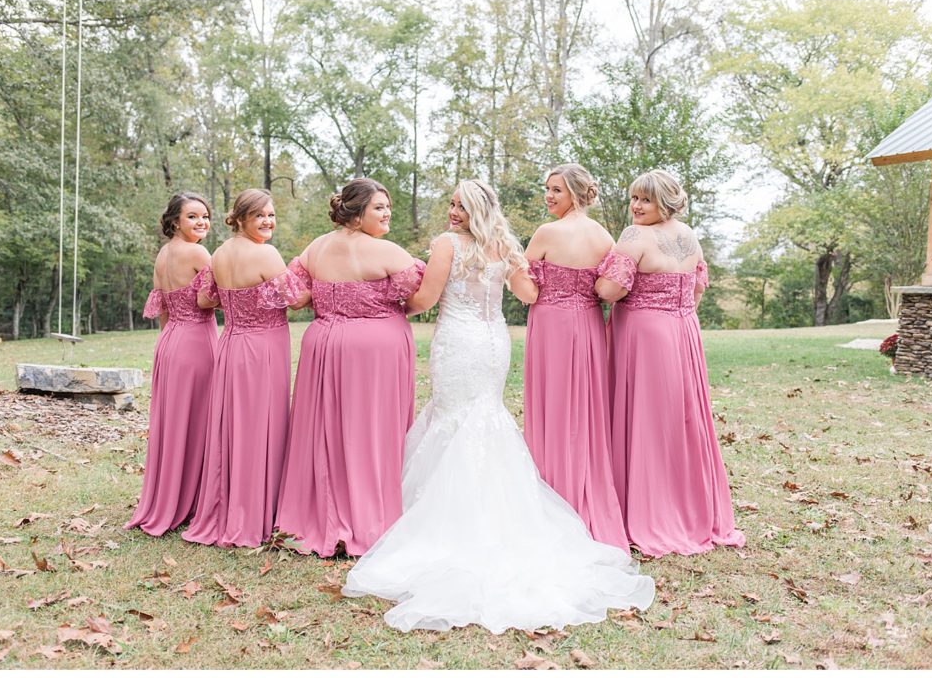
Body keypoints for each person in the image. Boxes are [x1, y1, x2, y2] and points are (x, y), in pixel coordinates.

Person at [343, 180, 655, 634]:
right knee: (485, 418)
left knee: (452, 418)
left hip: (458, 341)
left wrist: (384, 308)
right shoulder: (504, 245)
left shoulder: (446, 245)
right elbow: (529, 295)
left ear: (476, 209)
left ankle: (445, 514)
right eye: (450, 203)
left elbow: (426, 299)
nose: (452, 212)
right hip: (492, 343)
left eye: (460, 205)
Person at [595, 169, 745, 557]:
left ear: (665, 201)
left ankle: (650, 510)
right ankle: (690, 507)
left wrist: (594, 281)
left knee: (647, 419)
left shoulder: (634, 236)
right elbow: (696, 291)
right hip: (683, 331)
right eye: (633, 199)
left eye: (645, 199)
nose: (635, 207)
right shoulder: (689, 234)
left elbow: (611, 290)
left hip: (645, 335)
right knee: (679, 419)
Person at [274, 178, 425, 557]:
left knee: (324, 429)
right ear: (356, 214)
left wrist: (330, 299)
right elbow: (418, 298)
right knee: (369, 431)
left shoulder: (316, 247)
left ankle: (317, 513)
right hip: (373, 350)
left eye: (387, 205)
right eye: (378, 207)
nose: (387, 212)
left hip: (323, 343)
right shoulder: (387, 251)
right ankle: (370, 515)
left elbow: (294, 297)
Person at [182, 188, 308, 548]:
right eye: (260, 216)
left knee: (233, 425)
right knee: (258, 424)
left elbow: (206, 298)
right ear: (241, 219)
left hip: (232, 344)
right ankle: (254, 511)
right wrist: (315, 276)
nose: (268, 221)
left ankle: (228, 507)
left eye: (271, 215)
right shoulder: (265, 253)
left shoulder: (219, 254)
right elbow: (296, 300)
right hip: (263, 348)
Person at [518, 163, 631, 552]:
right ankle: (584, 489)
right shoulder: (604, 236)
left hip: (551, 324)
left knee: (553, 405)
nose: (549, 196)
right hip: (588, 325)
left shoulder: (547, 232)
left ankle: (551, 494)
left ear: (576, 194)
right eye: (547, 189)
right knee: (583, 409)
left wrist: (508, 265)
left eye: (556, 190)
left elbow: (527, 291)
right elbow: (609, 288)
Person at [125, 192, 218, 536]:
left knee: (175, 421)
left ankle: (170, 496)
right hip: (195, 341)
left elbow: (163, 309)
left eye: (205, 216)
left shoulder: (164, 254)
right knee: (196, 420)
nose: (201, 222)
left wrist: (169, 342)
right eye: (192, 216)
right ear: (175, 221)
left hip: (169, 342)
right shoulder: (197, 252)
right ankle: (191, 499)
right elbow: (213, 298)